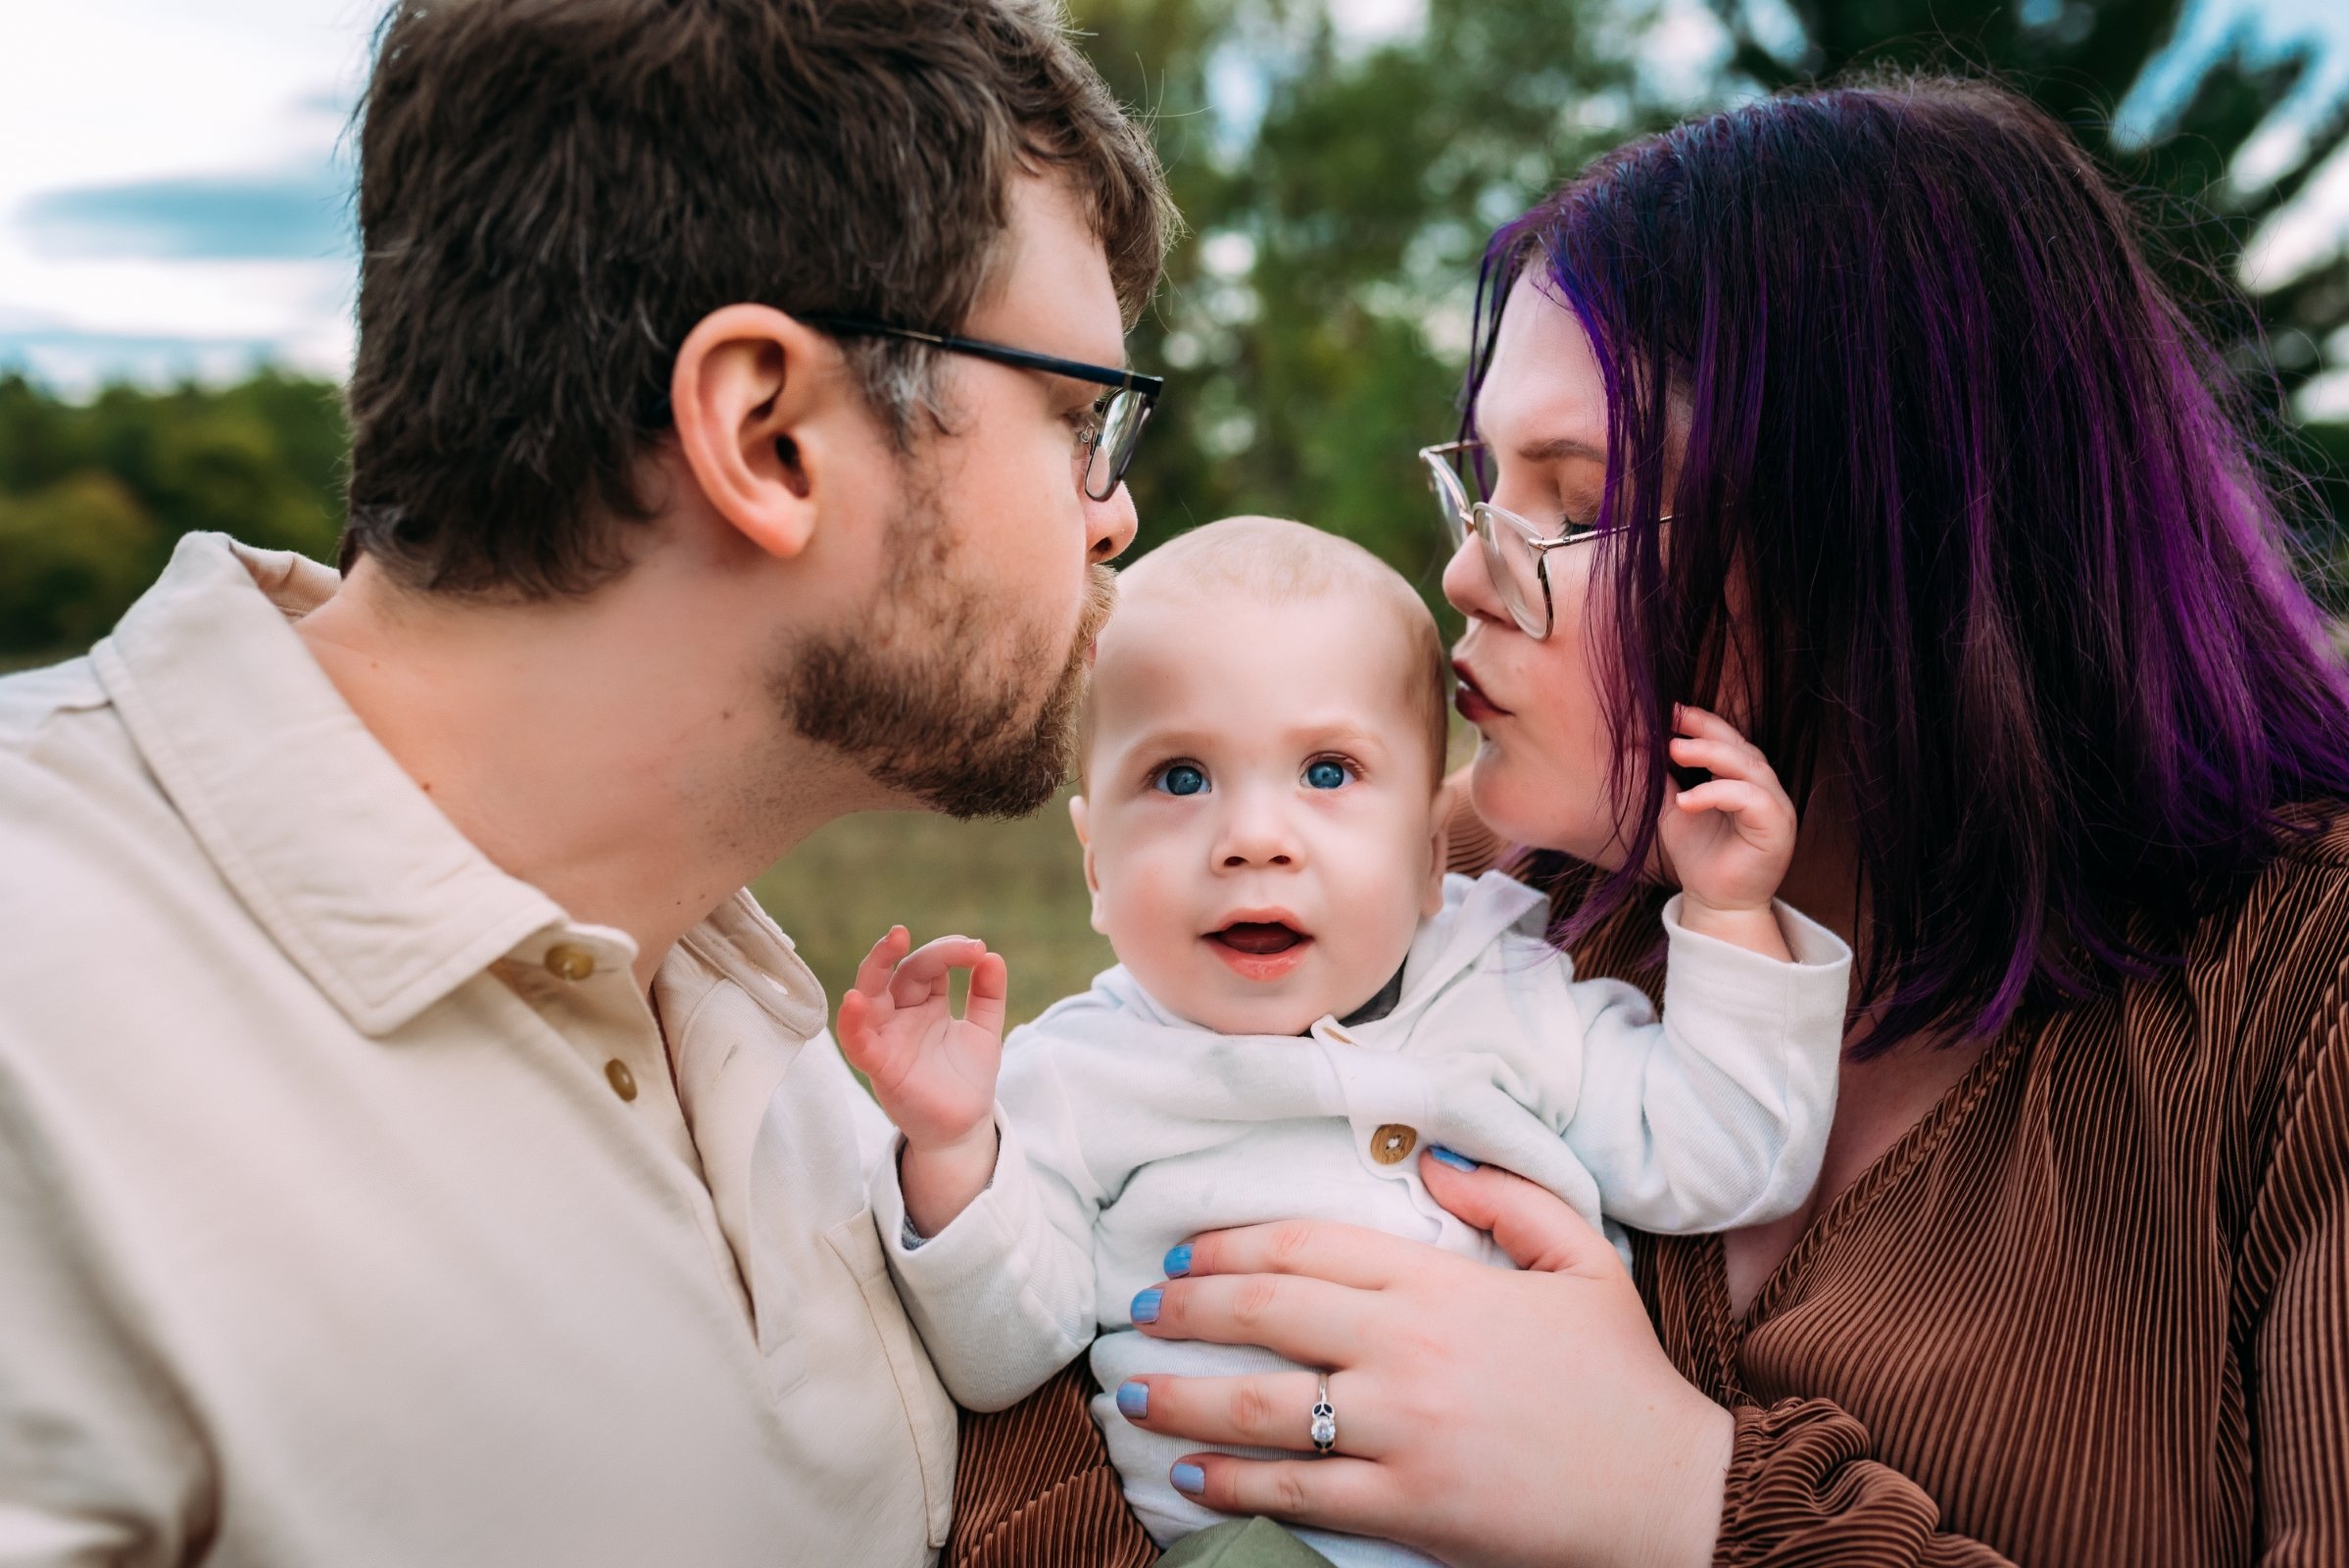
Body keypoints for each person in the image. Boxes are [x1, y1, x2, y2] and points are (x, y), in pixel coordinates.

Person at [944, 77, 2349, 1567]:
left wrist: (1678, 1498)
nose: (1471, 580)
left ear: (1884, 536)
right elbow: (1058, 1308)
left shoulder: (2297, 1001)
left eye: (1572, 499)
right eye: (1479, 486)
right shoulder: (1445, 890)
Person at [0, 1, 1169, 1562]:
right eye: (1078, 421)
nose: (1115, 513)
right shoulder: (44, 1037)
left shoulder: (739, 995)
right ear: (768, 435)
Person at [841, 514, 1851, 1566]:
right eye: (1182, 777)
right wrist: (955, 1156)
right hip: (1244, 1541)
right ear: (1096, 865)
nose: (1255, 839)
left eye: (1327, 772)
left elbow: (1722, 1158)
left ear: (1429, 857)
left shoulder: (1511, 990)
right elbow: (1002, 1355)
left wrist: (1732, 917)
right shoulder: (1079, 1076)